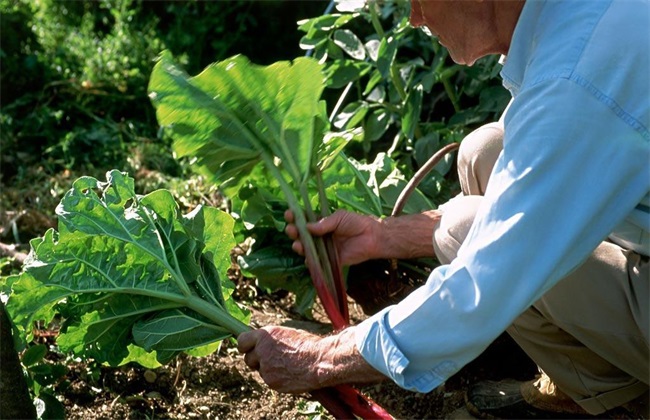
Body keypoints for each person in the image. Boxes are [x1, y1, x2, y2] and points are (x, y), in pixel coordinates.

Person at [237, 0, 650, 417]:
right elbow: (531, 187)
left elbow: (481, 287)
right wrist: (384, 235)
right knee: (485, 151)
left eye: (418, 1)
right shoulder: (582, 22)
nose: (415, 18)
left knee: (465, 229)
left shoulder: (576, 81)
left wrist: (318, 358)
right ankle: (590, 381)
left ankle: (628, 402)